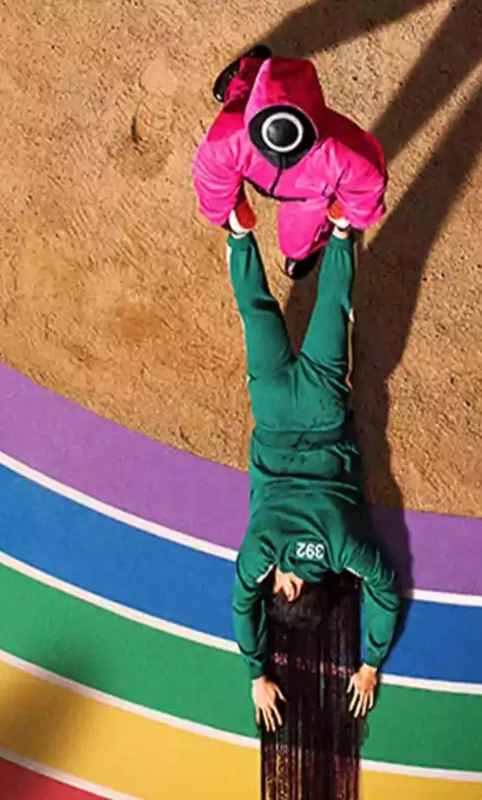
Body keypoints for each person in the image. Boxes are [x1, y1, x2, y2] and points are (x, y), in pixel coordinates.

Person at [225, 214, 401, 732]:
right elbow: (241, 607)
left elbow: (386, 593)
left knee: (332, 308)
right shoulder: (261, 550)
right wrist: (256, 673)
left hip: (326, 406)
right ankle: (239, 232)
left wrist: (370, 664)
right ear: (289, 590)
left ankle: (343, 229)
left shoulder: (347, 548)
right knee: (256, 312)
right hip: (275, 407)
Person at [193, 46, 388, 280]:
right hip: (308, 186)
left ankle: (302, 250)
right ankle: (250, 71)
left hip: (306, 194)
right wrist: (225, 210)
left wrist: (351, 212)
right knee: (240, 99)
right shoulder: (230, 135)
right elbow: (212, 173)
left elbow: (367, 186)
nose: (281, 162)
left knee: (297, 244)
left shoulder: (346, 153)